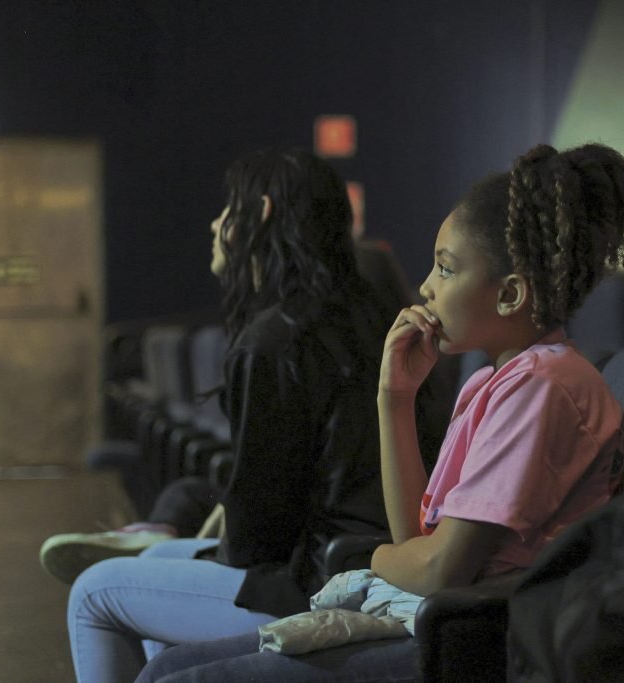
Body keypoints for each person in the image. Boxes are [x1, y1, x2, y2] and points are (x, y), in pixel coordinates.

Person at [135, 141, 624, 682]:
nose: (425, 286)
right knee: (169, 666)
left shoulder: (542, 386)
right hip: (442, 618)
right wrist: (394, 398)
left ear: (510, 294)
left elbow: (437, 569)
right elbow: (417, 546)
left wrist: (365, 558)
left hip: (489, 638)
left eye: (445, 270)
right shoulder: (493, 383)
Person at [67, 147, 401, 683]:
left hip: (318, 583)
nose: (216, 222)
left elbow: (253, 542)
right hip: (368, 568)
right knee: (154, 569)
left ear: (262, 212)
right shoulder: (371, 315)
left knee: (94, 593)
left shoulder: (274, 339)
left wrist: (215, 533)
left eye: (228, 208)